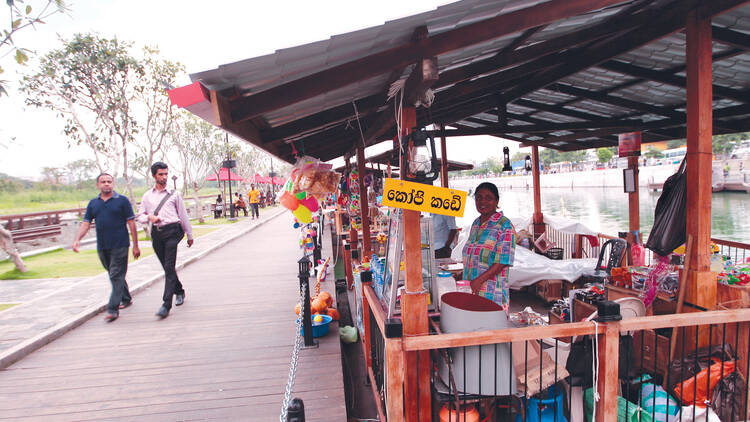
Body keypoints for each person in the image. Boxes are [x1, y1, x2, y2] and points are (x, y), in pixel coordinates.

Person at [72, 173, 140, 322]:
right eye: (103, 182)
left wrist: (135, 245)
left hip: (120, 244)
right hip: (103, 246)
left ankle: (112, 309)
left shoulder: (122, 201)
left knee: (116, 274)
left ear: (113, 184)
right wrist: (77, 239)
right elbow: (86, 223)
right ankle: (126, 298)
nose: (106, 184)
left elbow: (131, 223)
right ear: (98, 185)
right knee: (114, 274)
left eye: (109, 181)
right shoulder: (93, 204)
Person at [137, 162, 194, 319]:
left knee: (169, 265)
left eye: (166, 174)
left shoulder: (174, 194)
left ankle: (166, 304)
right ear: (154, 175)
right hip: (157, 233)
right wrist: (149, 217)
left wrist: (189, 235)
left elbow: (183, 215)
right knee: (166, 267)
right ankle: (179, 290)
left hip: (173, 231)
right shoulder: (147, 196)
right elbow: (140, 215)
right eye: (161, 174)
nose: (164, 177)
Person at [462, 182, 515, 313]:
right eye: (479, 197)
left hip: (492, 294)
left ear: (496, 201)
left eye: (488, 198)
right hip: (471, 291)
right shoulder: (475, 223)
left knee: (491, 331)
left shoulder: (505, 225)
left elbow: (502, 261)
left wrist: (478, 281)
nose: (482, 202)